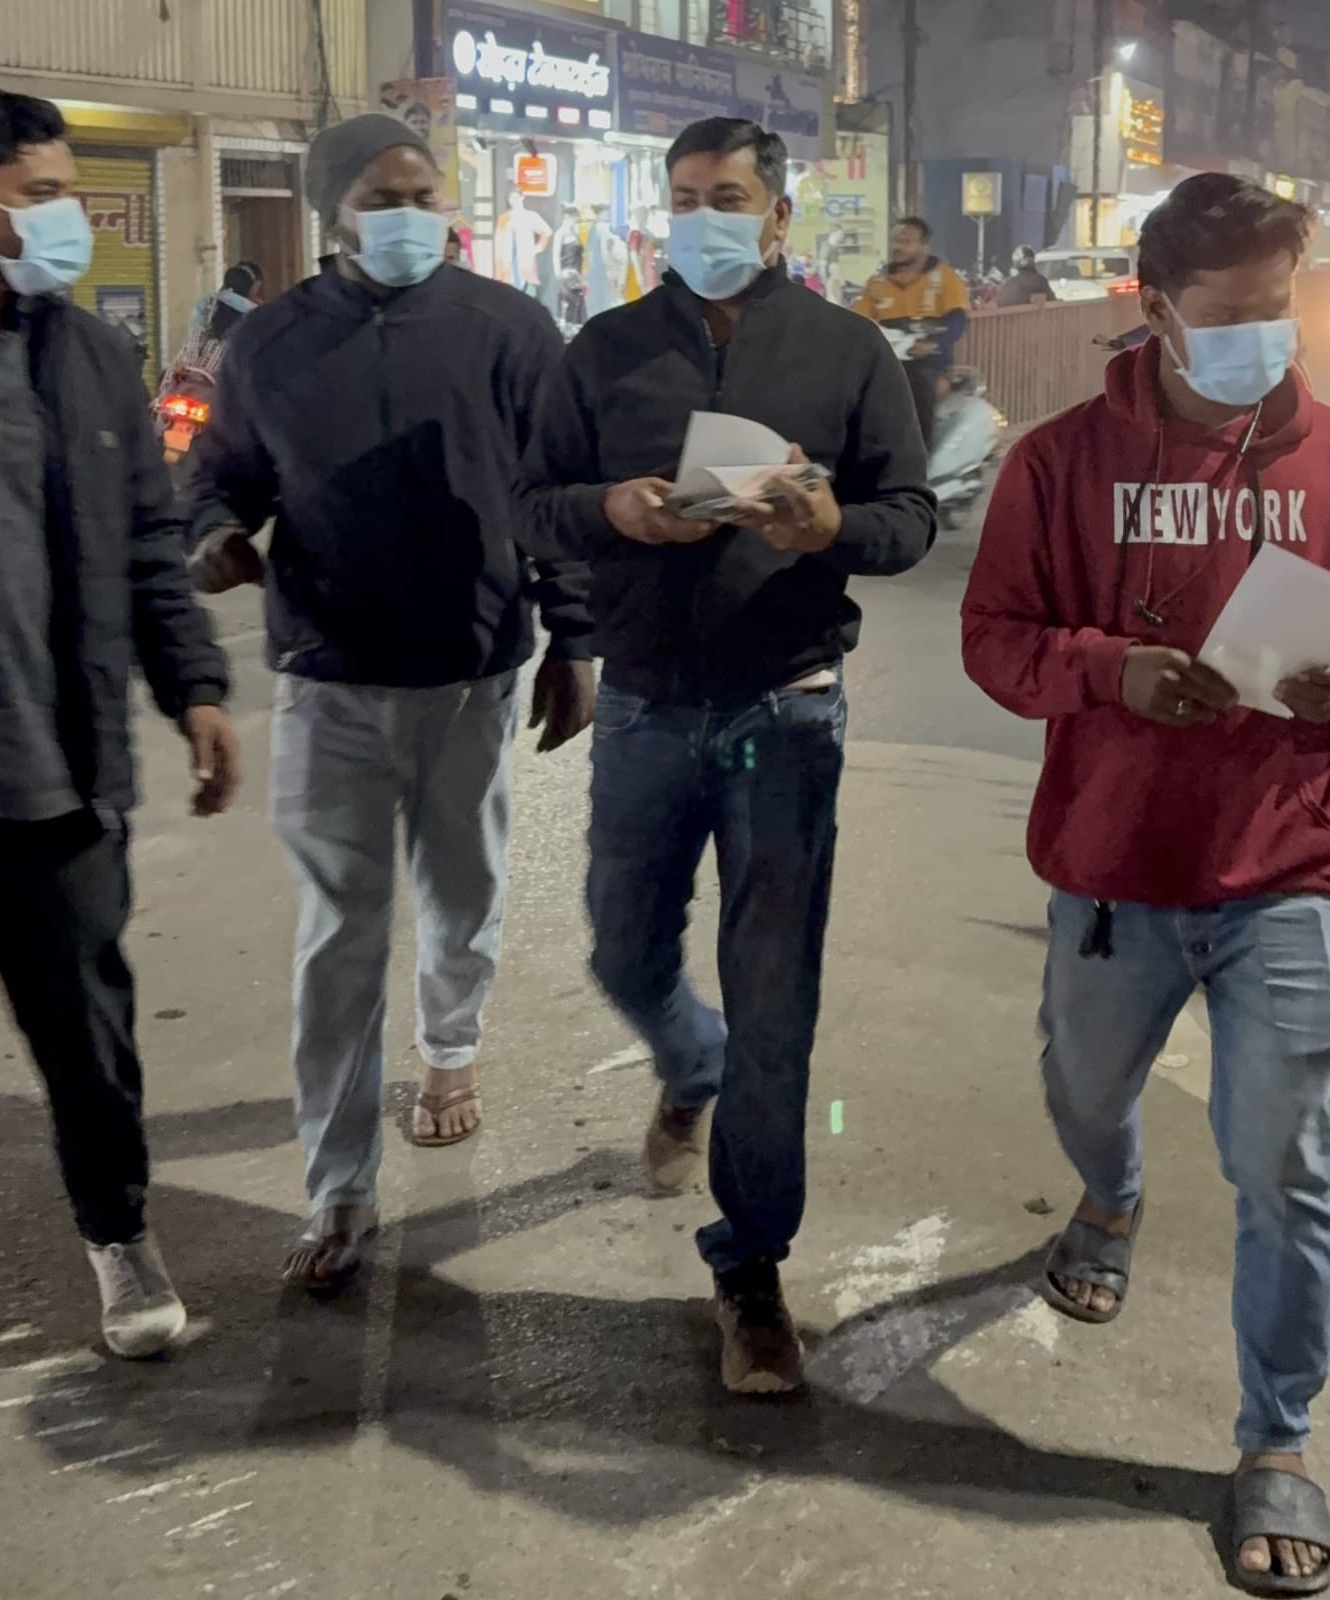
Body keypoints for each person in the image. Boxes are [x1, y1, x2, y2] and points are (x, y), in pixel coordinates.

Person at [518, 116, 935, 1395]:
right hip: (646, 710)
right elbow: (535, 503)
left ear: (779, 215)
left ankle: (751, 1265)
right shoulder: (604, 350)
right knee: (620, 948)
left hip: (785, 715)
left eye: (732, 196)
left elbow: (910, 519)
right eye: (687, 196)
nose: (706, 218)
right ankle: (685, 1063)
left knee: (774, 1003)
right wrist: (614, 509)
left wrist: (829, 528)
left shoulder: (848, 350)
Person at [962, 173, 1330, 1595]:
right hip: (1113, 866)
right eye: (1226, 317)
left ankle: (1276, 1436)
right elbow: (994, 638)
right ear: (1155, 308)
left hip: (1288, 868)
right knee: (1084, 1088)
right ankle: (1107, 1196)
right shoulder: (1058, 464)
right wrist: (1112, 673)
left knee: (1286, 1164)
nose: (1259, 341)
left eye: (1277, 309)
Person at [187, 116, 595, 1295]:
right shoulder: (269, 343)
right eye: (387, 196)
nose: (415, 215)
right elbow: (220, 476)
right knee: (339, 935)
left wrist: (573, 636)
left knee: (463, 885)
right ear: (335, 214)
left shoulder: (509, 329)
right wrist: (212, 534)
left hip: (471, 670)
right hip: (327, 676)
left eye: (427, 193)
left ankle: (450, 1046)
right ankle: (339, 1186)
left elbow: (555, 490)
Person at [0, 86, 240, 1357]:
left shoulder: (93, 361)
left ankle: (120, 1235)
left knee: (89, 1042)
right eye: (43, 193)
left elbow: (149, 545)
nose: (69, 217)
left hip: (51, 773)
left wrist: (196, 687)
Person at [854, 215, 969, 447]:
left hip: (930, 364)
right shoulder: (877, 283)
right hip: (886, 362)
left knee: (918, 387)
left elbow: (958, 321)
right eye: (895, 240)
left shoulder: (944, 278)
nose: (897, 246)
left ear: (924, 247)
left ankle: (919, 458)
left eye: (906, 241)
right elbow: (860, 323)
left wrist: (931, 344)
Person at [157, 259, 263, 398]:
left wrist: (189, 369)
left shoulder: (208, 302)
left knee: (161, 403)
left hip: (187, 375)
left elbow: (194, 340)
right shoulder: (256, 314)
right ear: (250, 288)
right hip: (219, 386)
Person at [997, 244, 1054, 308]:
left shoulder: (1007, 284)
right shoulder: (1039, 280)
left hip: (1007, 314)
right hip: (1030, 314)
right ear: (1031, 260)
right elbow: (1053, 301)